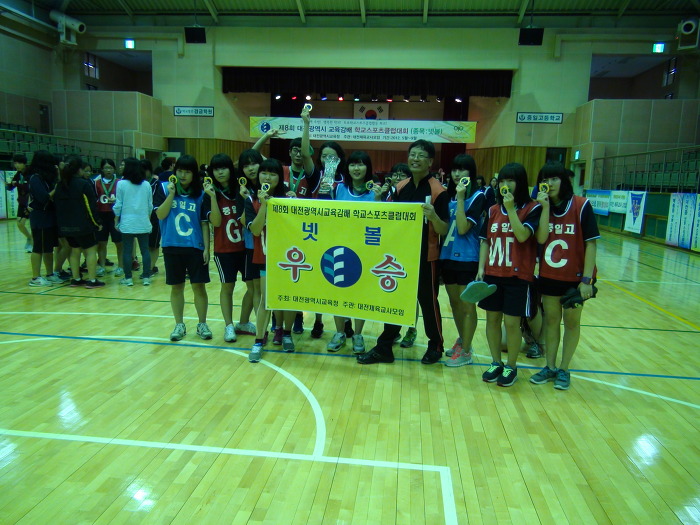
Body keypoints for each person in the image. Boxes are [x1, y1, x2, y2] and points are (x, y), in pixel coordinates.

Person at [358, 139, 449, 365]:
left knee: (428, 303)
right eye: (412, 154)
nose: (415, 159)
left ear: (430, 161)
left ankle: (436, 346)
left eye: (421, 155)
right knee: (396, 299)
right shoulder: (401, 187)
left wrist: (433, 217)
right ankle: (384, 347)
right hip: (401, 255)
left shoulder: (438, 191)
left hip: (426, 257)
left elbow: (444, 229)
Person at [530, 162, 599, 390]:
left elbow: (591, 244)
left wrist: (586, 280)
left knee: (571, 323)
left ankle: (564, 368)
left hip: (575, 279)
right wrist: (544, 208)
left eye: (554, 179)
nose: (549, 184)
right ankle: (550, 366)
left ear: (564, 181)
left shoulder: (581, 205)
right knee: (551, 321)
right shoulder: (541, 206)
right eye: (545, 179)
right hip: (549, 275)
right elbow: (540, 239)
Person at [477, 163, 542, 387]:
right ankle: (496, 362)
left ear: (520, 183)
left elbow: (523, 236)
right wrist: (481, 268)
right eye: (502, 181)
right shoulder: (493, 210)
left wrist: (511, 209)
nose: (505, 185)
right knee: (492, 320)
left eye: (511, 180)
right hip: (493, 273)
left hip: (518, 276)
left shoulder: (533, 208)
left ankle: (511, 366)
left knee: (512, 323)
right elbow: (485, 241)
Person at [319, 150, 383, 354]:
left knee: (360, 295)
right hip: (339, 249)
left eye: (361, 164)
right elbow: (323, 213)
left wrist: (379, 200)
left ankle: (358, 334)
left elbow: (382, 221)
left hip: (364, 251)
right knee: (338, 292)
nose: (356, 168)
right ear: (347, 167)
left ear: (368, 168)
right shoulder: (338, 188)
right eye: (353, 164)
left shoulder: (375, 192)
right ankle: (339, 333)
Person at [154, 154, 213, 341]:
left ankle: (202, 324)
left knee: (199, 287)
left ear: (194, 174)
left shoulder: (201, 194)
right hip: (172, 246)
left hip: (195, 247)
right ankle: (179, 324)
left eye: (187, 172)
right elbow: (160, 215)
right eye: (180, 171)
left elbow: (204, 223)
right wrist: (171, 194)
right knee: (176, 287)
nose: (183, 175)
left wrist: (206, 248)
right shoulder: (164, 188)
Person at [244, 157, 295, 362]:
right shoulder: (251, 200)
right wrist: (264, 205)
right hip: (265, 257)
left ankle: (287, 334)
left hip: (289, 258)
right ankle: (258, 341)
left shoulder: (289, 198)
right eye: (264, 173)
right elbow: (256, 230)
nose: (267, 177)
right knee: (266, 300)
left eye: (273, 174)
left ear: (279, 177)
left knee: (289, 299)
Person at [440, 154, 486, 367]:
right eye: (454, 169)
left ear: (471, 173)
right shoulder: (447, 196)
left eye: (462, 169)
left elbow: (462, 228)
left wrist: (460, 199)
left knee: (468, 306)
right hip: (447, 255)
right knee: (455, 304)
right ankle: (463, 340)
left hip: (468, 258)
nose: (457, 174)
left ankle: (466, 351)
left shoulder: (477, 196)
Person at [203, 153, 247, 343]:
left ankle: (244, 322)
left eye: (224, 168)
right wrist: (213, 197)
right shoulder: (210, 193)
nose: (220, 172)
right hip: (224, 250)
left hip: (246, 248)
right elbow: (216, 222)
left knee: (253, 287)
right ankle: (228, 325)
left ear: (231, 169)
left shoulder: (241, 188)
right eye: (216, 169)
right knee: (227, 287)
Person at [53, 155, 104, 288]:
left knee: (75, 251)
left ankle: (76, 278)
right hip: (83, 225)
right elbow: (90, 206)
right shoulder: (83, 184)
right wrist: (97, 222)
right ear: (79, 170)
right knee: (91, 250)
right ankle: (92, 280)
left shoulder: (60, 184)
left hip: (65, 226)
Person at [236, 149, 265, 339]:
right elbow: (243, 220)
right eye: (246, 166)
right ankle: (262, 329)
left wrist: (266, 136)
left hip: (271, 246)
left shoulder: (270, 185)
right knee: (255, 289)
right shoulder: (243, 190)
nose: (251, 169)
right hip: (251, 246)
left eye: (254, 163)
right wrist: (245, 198)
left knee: (262, 290)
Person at [113, 157, 152, 286]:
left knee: (127, 251)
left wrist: (116, 219)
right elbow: (150, 205)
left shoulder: (121, 184)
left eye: (123, 165)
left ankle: (128, 278)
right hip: (143, 221)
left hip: (127, 222)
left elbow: (118, 204)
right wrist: (147, 219)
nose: (121, 167)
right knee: (145, 250)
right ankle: (146, 277)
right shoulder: (146, 184)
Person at [26, 150, 61, 286]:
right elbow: (43, 198)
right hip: (40, 218)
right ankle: (35, 277)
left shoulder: (45, 178)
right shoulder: (35, 178)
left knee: (48, 248)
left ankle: (50, 274)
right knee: (38, 248)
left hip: (49, 217)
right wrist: (56, 188)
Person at [94, 159, 124, 277]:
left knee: (119, 243)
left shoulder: (119, 182)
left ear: (114, 169)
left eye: (110, 168)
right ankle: (101, 266)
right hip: (101, 215)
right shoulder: (96, 183)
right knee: (102, 243)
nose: (108, 170)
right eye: (106, 168)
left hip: (115, 215)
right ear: (102, 169)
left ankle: (121, 267)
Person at [141, 159, 161, 277]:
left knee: (153, 244)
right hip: (142, 217)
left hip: (155, 217)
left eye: (145, 170)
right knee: (145, 245)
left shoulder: (157, 184)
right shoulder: (138, 184)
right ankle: (148, 266)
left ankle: (151, 267)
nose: (143, 172)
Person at [9, 153, 32, 252]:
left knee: (28, 223)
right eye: (15, 163)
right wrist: (9, 185)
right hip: (22, 202)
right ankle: (30, 238)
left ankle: (34, 243)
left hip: (30, 202)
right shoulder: (18, 174)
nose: (16, 165)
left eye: (19, 163)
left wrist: (17, 184)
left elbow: (28, 187)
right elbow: (11, 186)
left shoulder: (30, 173)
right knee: (19, 224)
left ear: (24, 163)